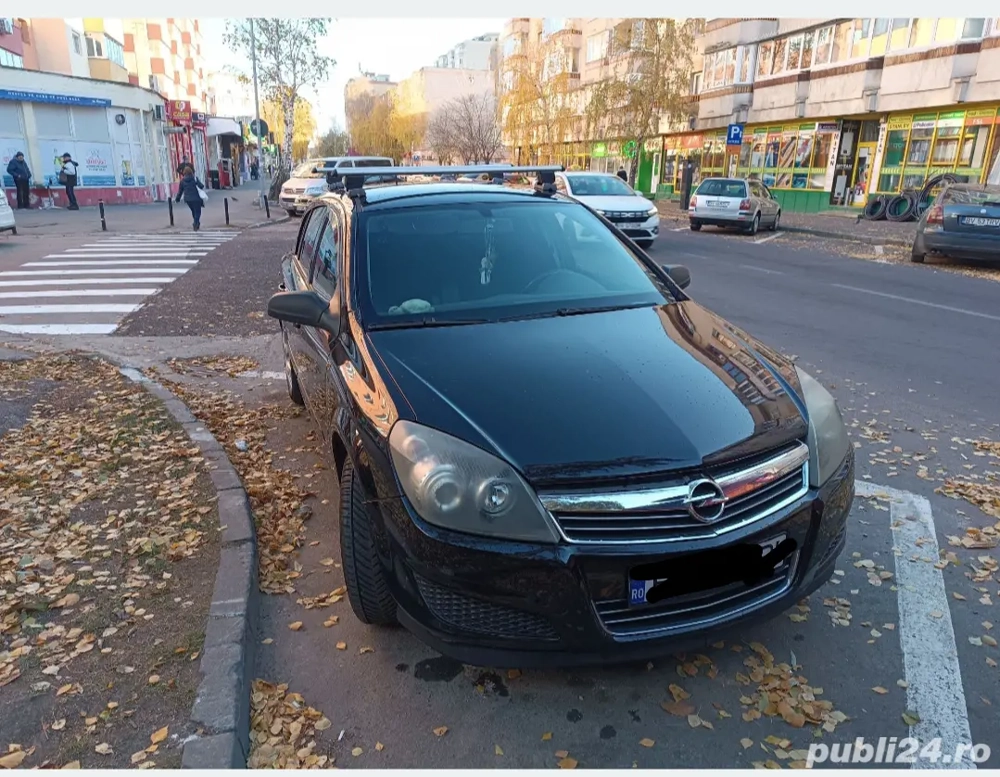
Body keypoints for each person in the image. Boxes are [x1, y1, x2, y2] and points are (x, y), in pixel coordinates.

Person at [175, 164, 207, 231]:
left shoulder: (182, 181)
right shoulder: (194, 179)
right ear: (191, 172)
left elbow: (180, 191)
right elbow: (201, 186)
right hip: (196, 198)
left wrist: (177, 199)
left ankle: (196, 223)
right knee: (198, 212)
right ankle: (195, 223)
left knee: (194, 211)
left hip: (188, 199)